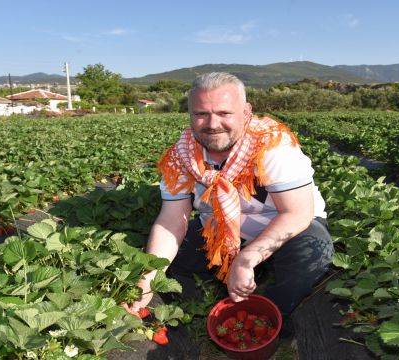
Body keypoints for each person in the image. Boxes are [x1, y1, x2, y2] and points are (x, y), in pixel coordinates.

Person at [122, 72, 333, 330]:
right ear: (189, 115)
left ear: (246, 112)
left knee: (313, 250)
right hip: (221, 231)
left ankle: (267, 314)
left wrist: (247, 258)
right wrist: (146, 281)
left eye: (224, 113)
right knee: (173, 257)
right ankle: (213, 299)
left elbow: (297, 214)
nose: (213, 123)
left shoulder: (273, 146)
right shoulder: (180, 156)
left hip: (286, 228)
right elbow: (171, 221)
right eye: (201, 114)